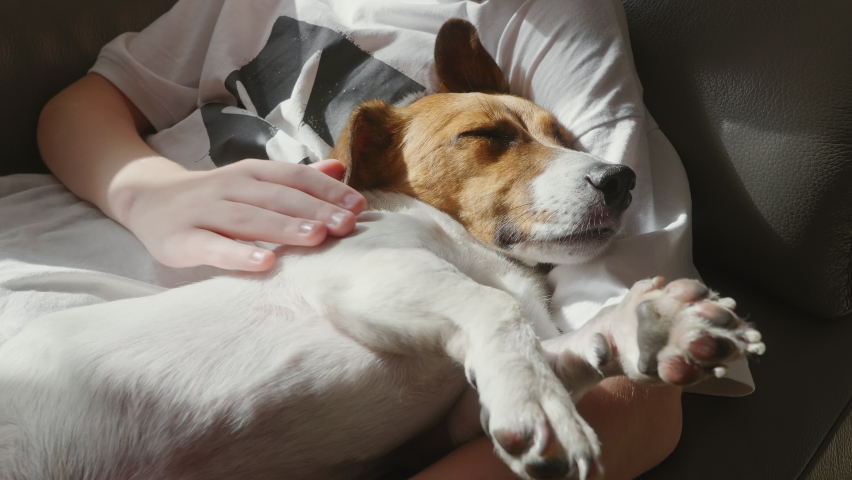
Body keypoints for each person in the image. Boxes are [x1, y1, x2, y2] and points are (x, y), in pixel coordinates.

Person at [31, 0, 737, 477]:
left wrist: (577, 349)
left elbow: (639, 401)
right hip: (47, 316)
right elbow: (83, 102)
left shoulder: (539, 20)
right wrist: (147, 193)